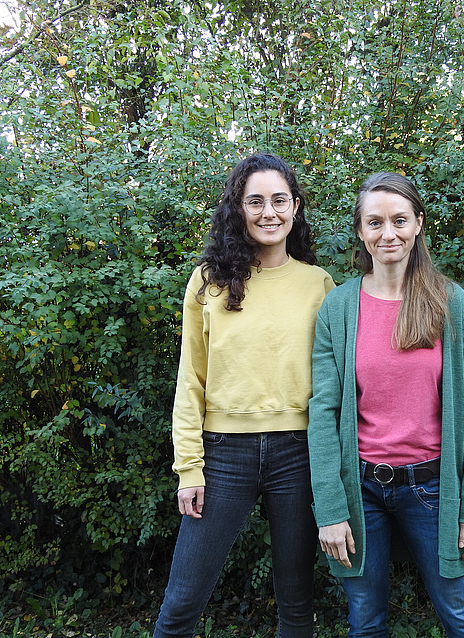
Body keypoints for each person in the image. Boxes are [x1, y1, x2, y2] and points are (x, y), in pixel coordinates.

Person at [153, 153, 335, 638]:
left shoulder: (318, 285)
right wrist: (188, 468)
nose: (268, 212)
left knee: (296, 606)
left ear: (295, 207)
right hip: (222, 456)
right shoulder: (207, 282)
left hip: (297, 454)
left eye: (279, 200)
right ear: (239, 208)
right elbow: (190, 379)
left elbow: (333, 385)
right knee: (180, 604)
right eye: (255, 201)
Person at [307, 172, 464, 638]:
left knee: (463, 619)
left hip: (433, 491)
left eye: (399, 220)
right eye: (375, 222)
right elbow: (324, 412)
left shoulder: (450, 302)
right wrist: (330, 509)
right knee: (365, 624)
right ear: (360, 231)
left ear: (419, 225)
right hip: (361, 491)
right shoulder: (339, 307)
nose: (387, 233)